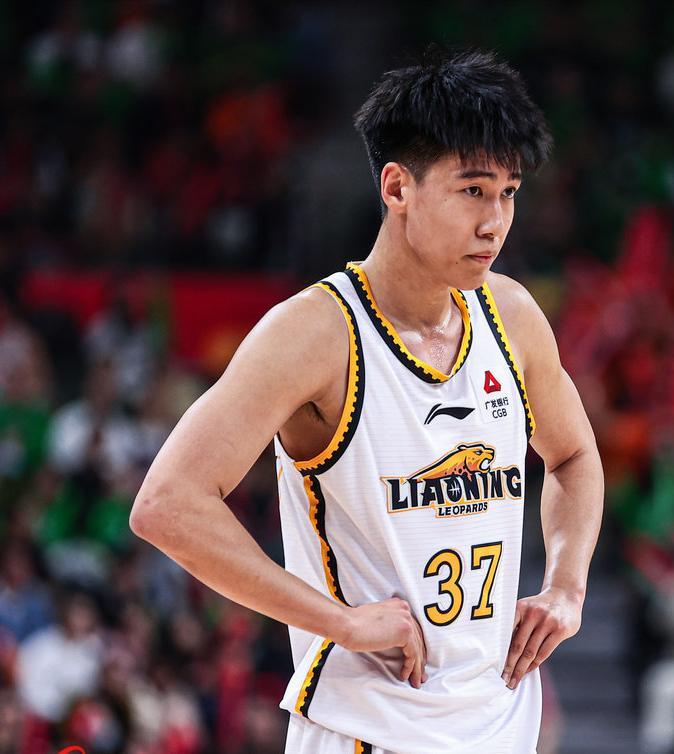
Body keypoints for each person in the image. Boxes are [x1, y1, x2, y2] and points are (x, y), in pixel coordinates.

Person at [129, 49, 604, 754]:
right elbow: (167, 504)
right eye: (473, 190)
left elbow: (573, 456)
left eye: (508, 192)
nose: (495, 221)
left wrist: (566, 587)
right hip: (368, 728)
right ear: (397, 187)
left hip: (498, 723)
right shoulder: (315, 333)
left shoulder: (511, 314)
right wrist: (340, 624)